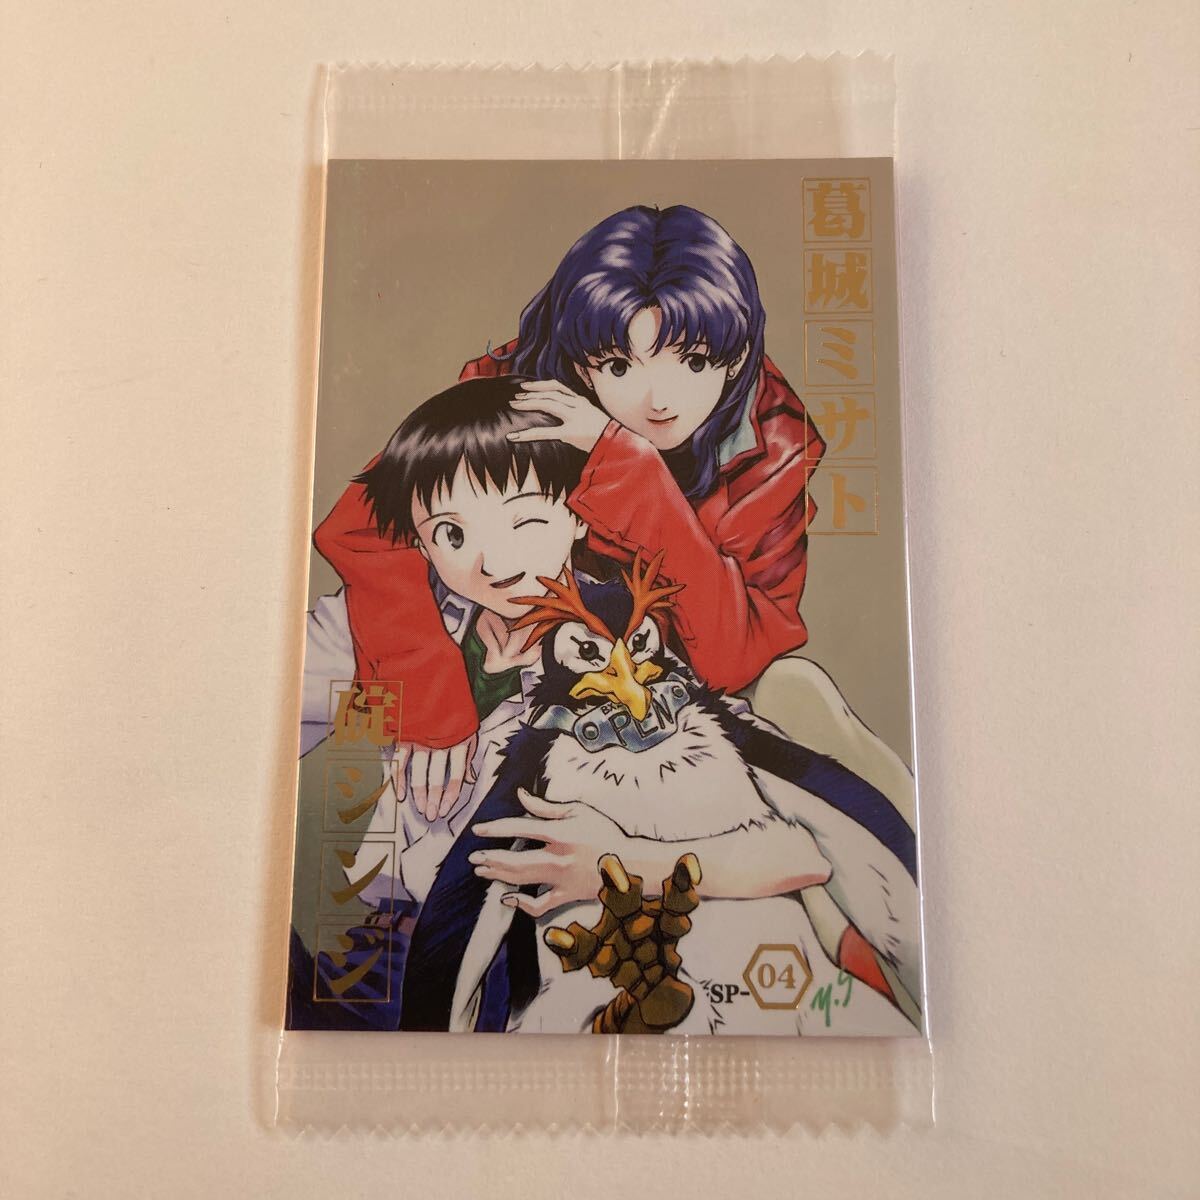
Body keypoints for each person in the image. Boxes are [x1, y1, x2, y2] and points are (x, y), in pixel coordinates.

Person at [288, 376, 913, 1032]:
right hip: (391, 937)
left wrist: (619, 866)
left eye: (526, 520)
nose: (492, 562)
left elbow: (795, 846)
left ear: (578, 514)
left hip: (556, 952)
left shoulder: (626, 640)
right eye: (451, 533)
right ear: (419, 542)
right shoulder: (386, 619)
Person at [314, 204, 826, 819]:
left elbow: (732, 657)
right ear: (582, 361)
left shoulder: (773, 451)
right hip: (468, 620)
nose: (659, 401)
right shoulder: (524, 386)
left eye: (692, 362)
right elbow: (367, 525)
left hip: (624, 680)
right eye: (619, 366)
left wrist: (631, 467)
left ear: (737, 357)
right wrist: (429, 695)